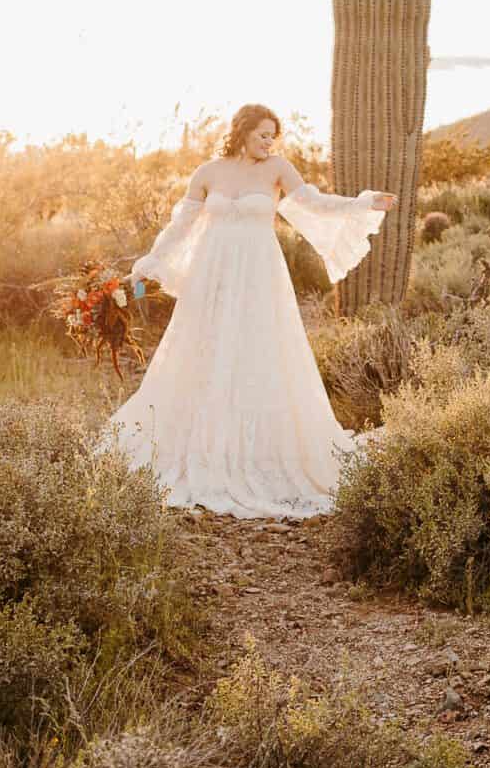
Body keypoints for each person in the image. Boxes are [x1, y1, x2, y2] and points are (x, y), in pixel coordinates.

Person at [106, 103, 396, 518]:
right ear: (242, 131)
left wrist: (362, 204)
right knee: (208, 347)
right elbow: (181, 226)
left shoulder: (277, 169)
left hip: (259, 275)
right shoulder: (207, 172)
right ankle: (201, 444)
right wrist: (149, 264)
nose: (268, 142)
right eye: (262, 134)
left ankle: (261, 452)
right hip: (214, 274)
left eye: (272, 136)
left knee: (257, 351)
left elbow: (314, 203)